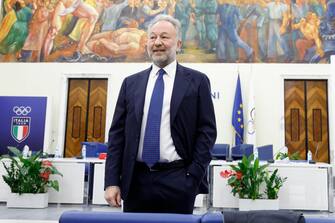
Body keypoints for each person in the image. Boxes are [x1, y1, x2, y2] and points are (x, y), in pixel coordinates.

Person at [104, 14, 217, 214]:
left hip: (179, 180)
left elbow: (206, 132)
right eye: (152, 37)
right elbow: (117, 136)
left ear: (178, 43)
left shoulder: (197, 82)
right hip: (136, 181)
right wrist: (112, 181)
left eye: (164, 37)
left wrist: (192, 177)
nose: (157, 42)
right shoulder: (130, 84)